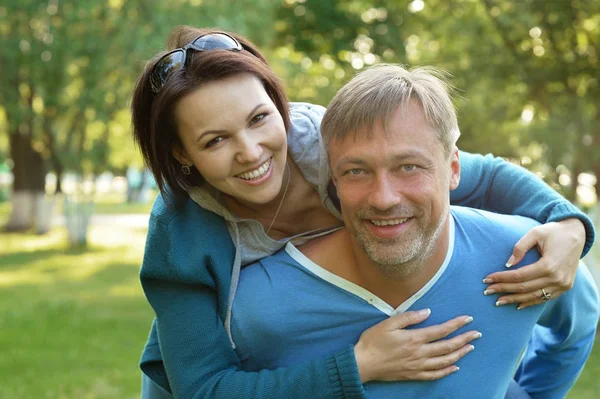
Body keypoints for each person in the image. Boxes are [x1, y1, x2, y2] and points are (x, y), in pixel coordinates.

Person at [131, 26, 595, 398]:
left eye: (259, 118)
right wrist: (358, 365)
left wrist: (570, 225)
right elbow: (203, 387)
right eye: (215, 140)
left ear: (278, 104)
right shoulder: (180, 232)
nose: (251, 152)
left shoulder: (336, 145)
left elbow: (482, 174)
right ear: (182, 154)